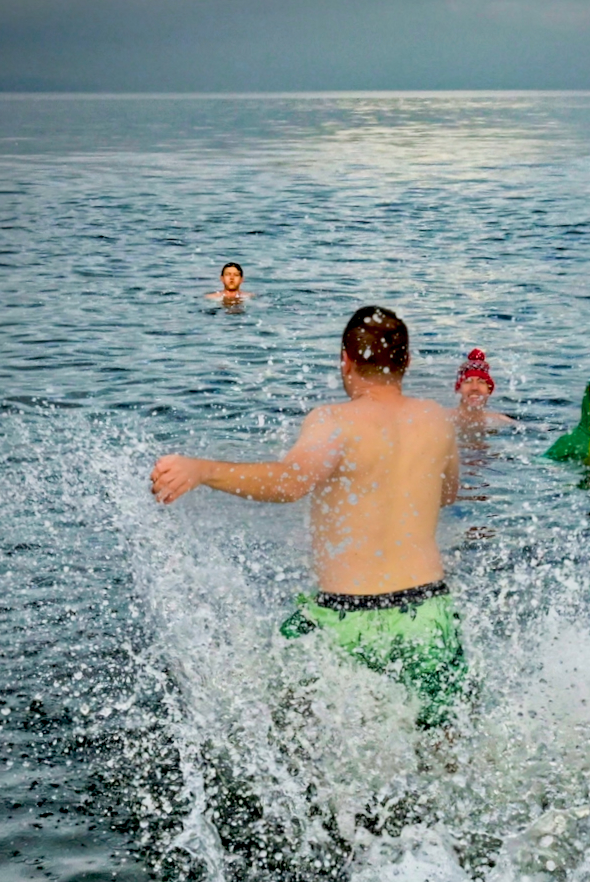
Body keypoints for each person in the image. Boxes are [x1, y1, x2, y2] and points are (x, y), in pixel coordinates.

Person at [150, 306, 465, 727]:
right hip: (428, 612)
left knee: (285, 726)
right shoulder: (436, 419)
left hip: (344, 620)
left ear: (345, 360)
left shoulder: (333, 421)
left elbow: (290, 482)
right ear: (406, 362)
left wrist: (203, 470)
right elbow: (447, 493)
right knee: (441, 746)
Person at [447, 349, 515, 437]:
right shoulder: (441, 419)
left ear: (489, 390)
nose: (474, 387)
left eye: (481, 382)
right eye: (468, 381)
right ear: (459, 389)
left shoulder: (501, 422)